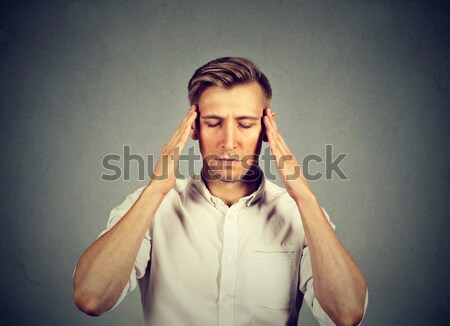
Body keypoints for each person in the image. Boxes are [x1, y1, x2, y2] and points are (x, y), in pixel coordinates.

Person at [73, 57, 368, 326]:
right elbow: (91, 298)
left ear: (266, 129)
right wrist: (155, 189)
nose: (229, 142)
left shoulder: (297, 213)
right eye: (213, 123)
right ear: (194, 128)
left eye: (245, 124)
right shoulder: (154, 207)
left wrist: (304, 196)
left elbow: (347, 314)